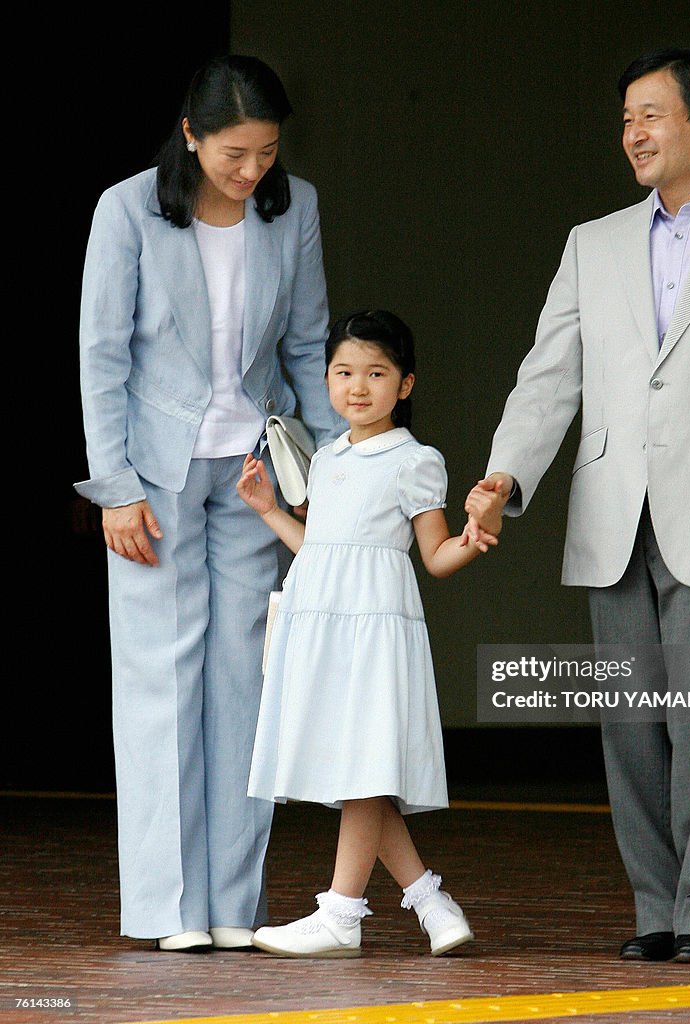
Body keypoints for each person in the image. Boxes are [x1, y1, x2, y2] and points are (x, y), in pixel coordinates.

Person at [465, 48, 690, 963]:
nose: (633, 133)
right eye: (626, 118)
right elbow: (548, 374)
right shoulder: (592, 242)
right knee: (631, 726)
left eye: (652, 114)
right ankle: (655, 907)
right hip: (611, 513)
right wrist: (505, 475)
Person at [75, 55, 344, 952]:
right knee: (159, 684)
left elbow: (308, 346)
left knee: (243, 682)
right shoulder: (126, 210)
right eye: (235, 152)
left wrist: (341, 468)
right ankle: (167, 908)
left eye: (266, 152)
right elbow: (102, 357)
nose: (252, 170)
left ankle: (233, 906)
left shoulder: (293, 206)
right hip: (152, 478)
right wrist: (111, 488)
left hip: (251, 473)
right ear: (189, 136)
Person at [236, 309, 498, 959]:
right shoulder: (323, 459)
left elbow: (434, 558)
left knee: (362, 771)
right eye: (343, 371)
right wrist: (270, 511)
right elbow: (319, 548)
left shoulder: (416, 460)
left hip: (373, 627)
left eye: (376, 373)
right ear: (326, 378)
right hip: (319, 621)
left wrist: (477, 536)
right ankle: (431, 904)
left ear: (403, 385)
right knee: (357, 769)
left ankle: (341, 914)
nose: (358, 386)